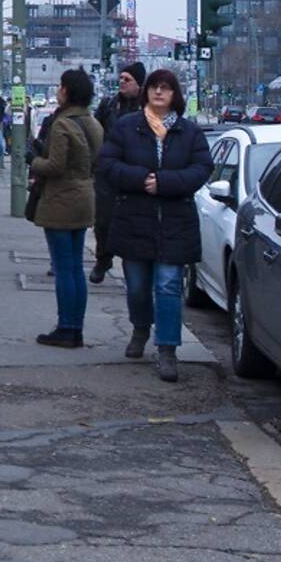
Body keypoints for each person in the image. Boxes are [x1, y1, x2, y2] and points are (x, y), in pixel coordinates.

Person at [97, 67, 213, 383]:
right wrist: (140, 180)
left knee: (168, 286)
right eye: (154, 87)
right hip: (134, 218)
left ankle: (167, 349)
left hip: (175, 222)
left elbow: (202, 169)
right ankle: (139, 327)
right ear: (146, 92)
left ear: (175, 95)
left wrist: (164, 182)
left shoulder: (189, 132)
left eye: (166, 88)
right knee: (136, 286)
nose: (159, 92)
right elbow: (107, 164)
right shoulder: (126, 127)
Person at [30, 68, 105, 348]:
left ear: (68, 91)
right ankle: (77, 327)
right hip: (85, 196)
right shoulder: (93, 124)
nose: (58, 91)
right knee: (75, 267)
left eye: (61, 86)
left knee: (63, 268)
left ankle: (66, 327)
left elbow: (54, 166)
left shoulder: (62, 125)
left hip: (61, 200)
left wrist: (33, 160)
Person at [90, 62, 147, 283]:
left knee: (132, 222)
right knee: (103, 221)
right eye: (121, 78)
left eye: (127, 79)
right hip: (108, 173)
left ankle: (131, 264)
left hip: (134, 172)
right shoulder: (109, 105)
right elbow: (96, 132)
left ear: (139, 84)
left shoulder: (147, 109)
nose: (122, 82)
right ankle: (103, 260)